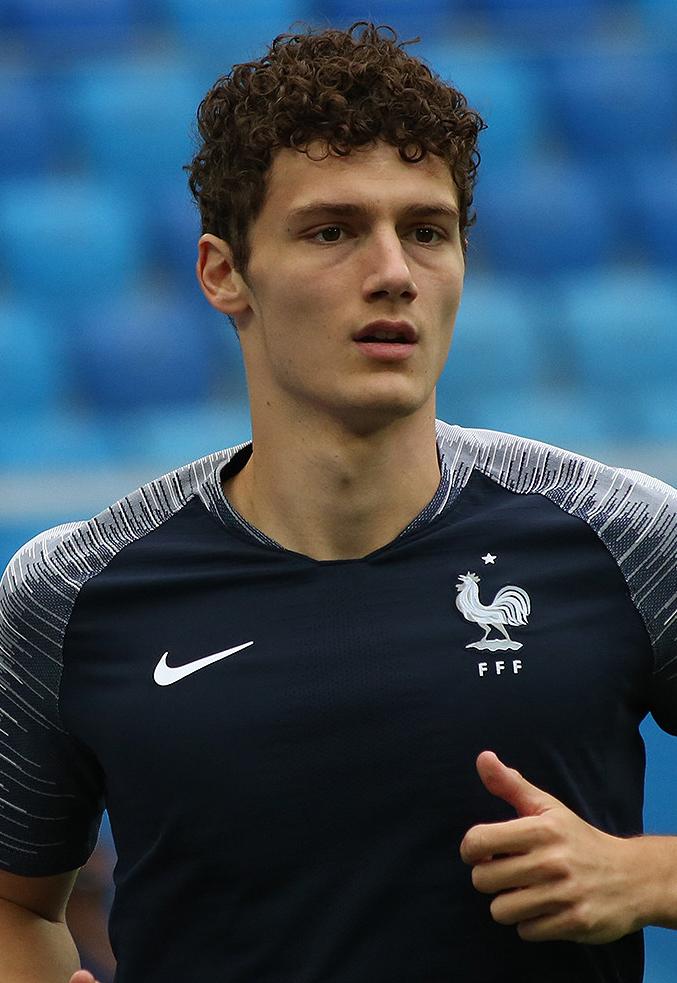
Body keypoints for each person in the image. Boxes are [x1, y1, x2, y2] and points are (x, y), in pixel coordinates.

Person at [0, 20, 675, 983]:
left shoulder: (627, 539)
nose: (393, 272)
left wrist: (647, 875)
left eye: (426, 231)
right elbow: (16, 901)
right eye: (333, 231)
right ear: (223, 273)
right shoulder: (71, 592)